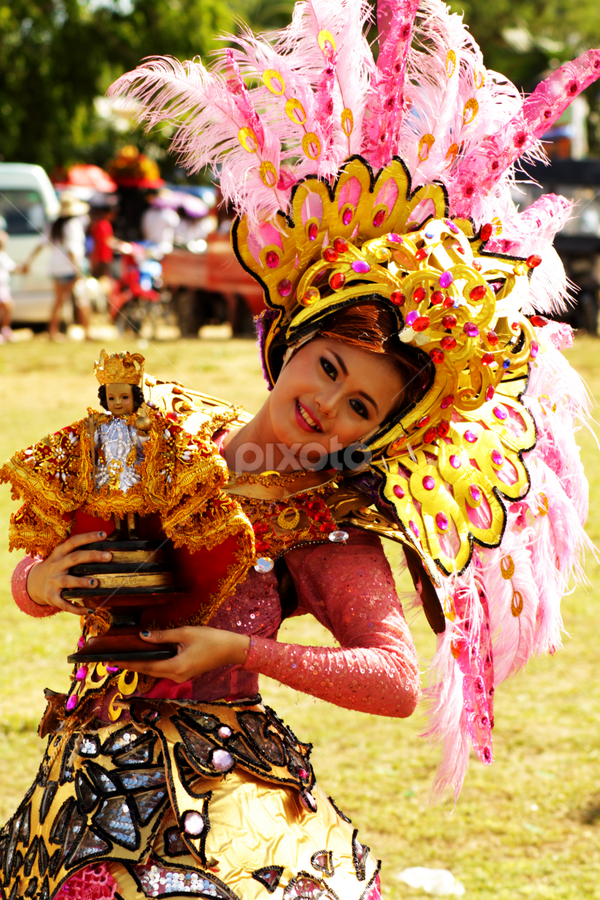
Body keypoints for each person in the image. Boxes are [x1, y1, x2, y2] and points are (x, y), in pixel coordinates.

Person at [1, 1, 598, 898]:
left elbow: (394, 679)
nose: (326, 406)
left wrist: (235, 653)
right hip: (77, 785)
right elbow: (43, 574)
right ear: (288, 342)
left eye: (360, 406)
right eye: (326, 366)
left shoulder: (323, 523)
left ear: (378, 433)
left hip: (219, 803)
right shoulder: (157, 426)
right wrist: (45, 582)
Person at [25, 192, 91, 341]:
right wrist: (78, 270)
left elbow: (40, 244)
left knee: (59, 301)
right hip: (70, 268)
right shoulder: (73, 224)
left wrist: (28, 261)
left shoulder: (54, 224)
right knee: (81, 300)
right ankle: (87, 332)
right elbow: (72, 250)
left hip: (56, 268)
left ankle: (52, 331)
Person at [0, 215, 27, 343]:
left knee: (6, 308)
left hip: (3, 286)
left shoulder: (3, 256)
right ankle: (5, 330)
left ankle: (5, 330)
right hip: (1, 287)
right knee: (8, 307)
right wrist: (23, 269)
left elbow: (13, 267)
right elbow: (14, 268)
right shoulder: (2, 256)